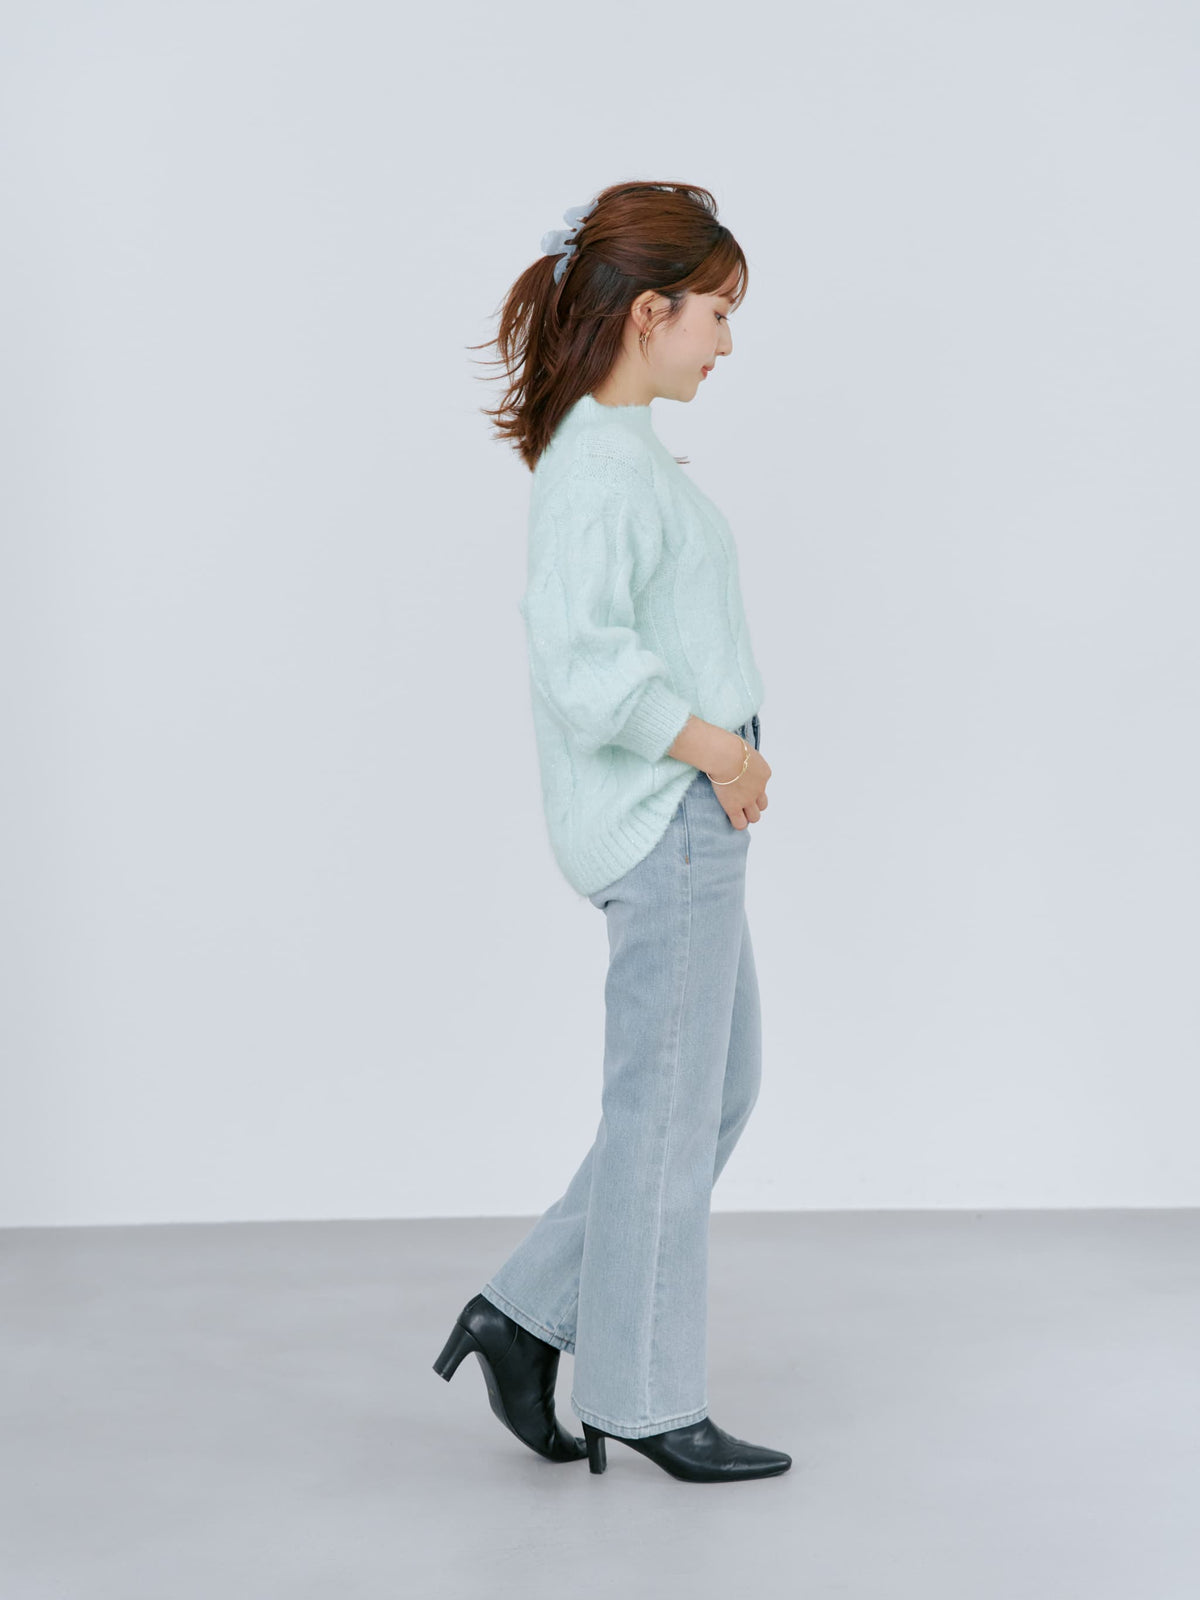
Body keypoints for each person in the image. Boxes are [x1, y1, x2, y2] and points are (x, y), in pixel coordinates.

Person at [434, 181, 790, 1484]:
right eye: (716, 312)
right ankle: (643, 1395)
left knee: (710, 1092)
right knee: (664, 1109)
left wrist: (728, 760)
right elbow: (585, 670)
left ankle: (524, 1314)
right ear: (651, 312)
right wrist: (723, 754)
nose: (727, 341)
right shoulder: (595, 466)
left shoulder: (627, 452)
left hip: (690, 812)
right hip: (666, 817)